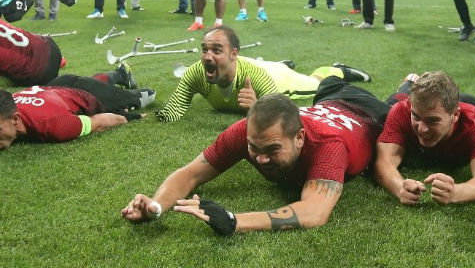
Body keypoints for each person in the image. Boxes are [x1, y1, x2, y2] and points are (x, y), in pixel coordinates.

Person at [121, 80, 390, 234]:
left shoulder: (327, 144)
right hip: (330, 99)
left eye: (272, 150)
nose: (260, 159)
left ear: (299, 138)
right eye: (254, 148)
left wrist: (234, 220)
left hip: (371, 113)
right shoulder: (246, 131)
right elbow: (190, 173)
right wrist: (156, 206)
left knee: (399, 103)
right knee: (328, 82)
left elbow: (315, 211)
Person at [155, 26, 371, 122]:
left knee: (315, 84)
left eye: (216, 50)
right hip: (259, 65)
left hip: (276, 78)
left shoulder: (255, 77)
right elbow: (173, 111)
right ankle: (281, 64)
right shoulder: (196, 73)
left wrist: (257, 107)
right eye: (204, 50)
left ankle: (336, 69)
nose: (207, 56)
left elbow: (278, 116)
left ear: (233, 53)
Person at [374, 72, 475, 205]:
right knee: (397, 98)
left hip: (468, 103)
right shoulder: (401, 111)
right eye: (416, 117)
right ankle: (410, 81)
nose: (422, 129)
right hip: (441, 105)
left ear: (455, 115)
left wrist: (457, 192)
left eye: (433, 120)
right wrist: (399, 187)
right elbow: (383, 163)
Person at [0, 68, 153, 150]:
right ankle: (120, 73)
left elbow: (100, 122)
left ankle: (124, 80)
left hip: (83, 94)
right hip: (55, 90)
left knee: (141, 98)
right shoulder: (1, 107)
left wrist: (131, 118)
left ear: (15, 119)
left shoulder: (54, 125)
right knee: (92, 83)